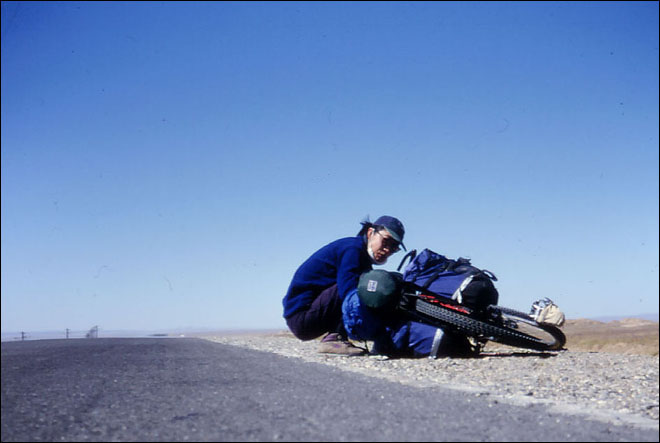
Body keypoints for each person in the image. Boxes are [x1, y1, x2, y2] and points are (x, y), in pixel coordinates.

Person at [282, 215, 406, 355]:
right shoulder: (352, 249)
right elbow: (349, 293)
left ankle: (339, 337)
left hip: (309, 315)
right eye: (386, 241)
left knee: (370, 287)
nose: (388, 250)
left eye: (394, 246)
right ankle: (333, 339)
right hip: (302, 318)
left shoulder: (360, 256)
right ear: (370, 233)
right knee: (365, 287)